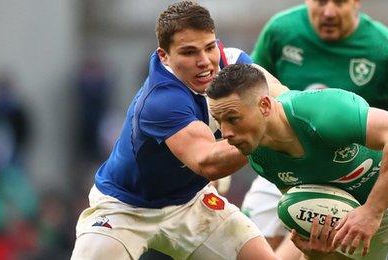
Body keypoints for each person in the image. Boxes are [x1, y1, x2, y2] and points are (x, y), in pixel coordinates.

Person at [244, 0, 388, 250]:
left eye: (339, 2)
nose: (328, 11)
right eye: (321, 2)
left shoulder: (387, 50)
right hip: (287, 168)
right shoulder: (280, 31)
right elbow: (248, 93)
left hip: (355, 175)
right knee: (252, 249)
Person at [70, 2, 279, 259]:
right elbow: (208, 162)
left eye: (209, 47)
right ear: (164, 56)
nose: (204, 62)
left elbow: (281, 105)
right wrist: (260, 130)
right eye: (189, 52)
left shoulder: (235, 65)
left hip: (190, 202)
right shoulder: (161, 100)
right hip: (124, 208)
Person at [207, 64, 388, 259]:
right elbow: (321, 239)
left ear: (264, 105)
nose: (226, 133)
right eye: (220, 122)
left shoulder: (322, 112)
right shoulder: (259, 156)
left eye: (233, 118)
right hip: (352, 221)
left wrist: (372, 211)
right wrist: (317, 253)